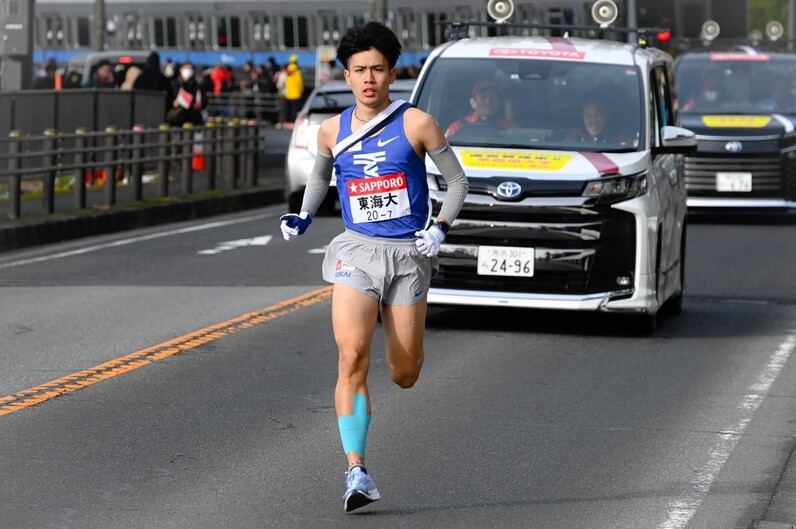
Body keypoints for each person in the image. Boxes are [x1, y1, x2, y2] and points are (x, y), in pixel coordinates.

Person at [279, 21, 468, 513]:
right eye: (360, 70)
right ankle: (356, 471)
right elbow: (320, 179)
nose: (368, 79)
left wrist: (441, 226)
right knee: (351, 354)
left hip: (408, 255)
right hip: (356, 252)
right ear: (346, 74)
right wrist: (302, 215)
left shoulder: (417, 123)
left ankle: (396, 342)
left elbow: (458, 182)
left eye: (377, 69)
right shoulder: (330, 130)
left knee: (404, 372)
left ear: (392, 72)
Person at [445, 79, 517, 137]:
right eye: (483, 96)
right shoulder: (457, 127)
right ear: (473, 102)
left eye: (493, 96)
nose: (488, 100)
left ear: (500, 102)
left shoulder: (511, 129)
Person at [167, 61, 207, 126]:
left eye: (190, 68)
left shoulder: (197, 85)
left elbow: (204, 101)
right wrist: (173, 103)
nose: (187, 71)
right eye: (185, 68)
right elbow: (168, 100)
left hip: (193, 119)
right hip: (178, 118)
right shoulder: (174, 84)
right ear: (180, 69)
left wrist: (198, 105)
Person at [284, 54, 304, 126]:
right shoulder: (297, 70)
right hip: (296, 92)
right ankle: (294, 121)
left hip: (288, 93)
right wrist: (301, 90)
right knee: (295, 108)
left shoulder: (287, 70)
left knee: (288, 107)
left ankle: (287, 121)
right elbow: (299, 81)